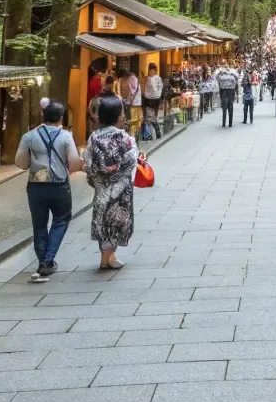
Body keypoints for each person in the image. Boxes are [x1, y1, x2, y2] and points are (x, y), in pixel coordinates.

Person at [13, 99, 82, 282]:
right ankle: (47, 261)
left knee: (39, 224)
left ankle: (44, 262)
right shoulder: (65, 136)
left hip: (36, 185)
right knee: (61, 219)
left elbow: (20, 163)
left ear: (43, 115)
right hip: (59, 185)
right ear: (61, 117)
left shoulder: (29, 136)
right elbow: (74, 163)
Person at [84, 96, 142, 270]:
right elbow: (131, 162)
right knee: (118, 222)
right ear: (117, 117)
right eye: (122, 113)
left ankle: (109, 257)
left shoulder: (93, 138)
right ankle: (105, 259)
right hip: (121, 190)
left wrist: (98, 181)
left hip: (101, 189)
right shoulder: (125, 138)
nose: (123, 116)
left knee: (102, 222)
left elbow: (88, 164)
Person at [140, 63, 165, 141]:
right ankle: (155, 131)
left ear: (155, 70)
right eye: (150, 70)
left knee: (153, 116)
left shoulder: (158, 78)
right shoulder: (146, 78)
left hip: (156, 99)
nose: (151, 71)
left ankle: (152, 132)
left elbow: (160, 87)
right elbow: (143, 86)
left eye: (153, 70)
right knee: (150, 116)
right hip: (148, 99)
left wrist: (158, 95)